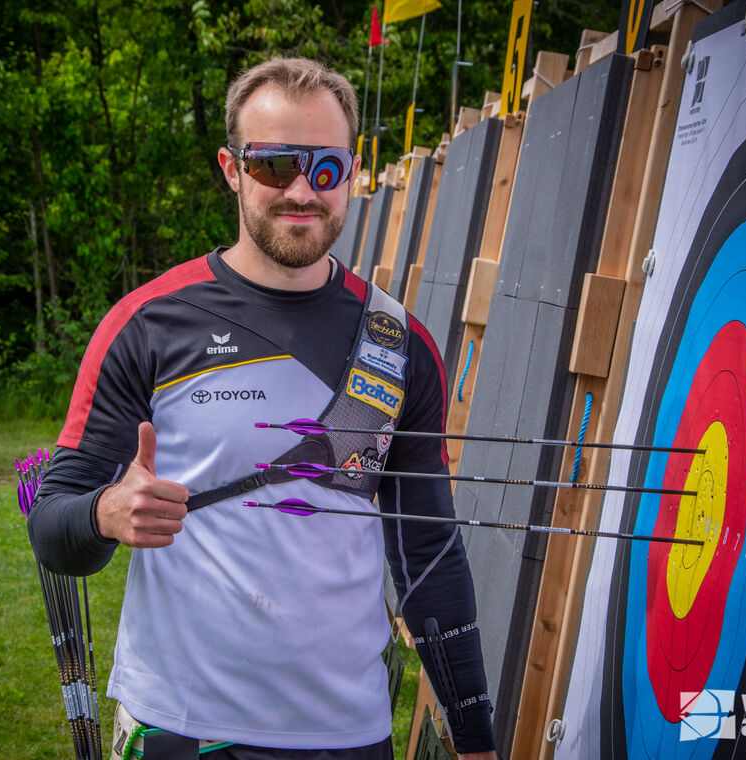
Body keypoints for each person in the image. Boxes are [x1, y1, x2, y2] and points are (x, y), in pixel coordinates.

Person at [28, 57, 499, 760]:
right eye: (275, 165)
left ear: (353, 171)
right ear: (232, 169)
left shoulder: (398, 343)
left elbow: (428, 554)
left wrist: (475, 739)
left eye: (326, 168)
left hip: (348, 733)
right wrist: (104, 514)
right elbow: (52, 526)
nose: (302, 191)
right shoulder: (148, 323)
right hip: (182, 728)